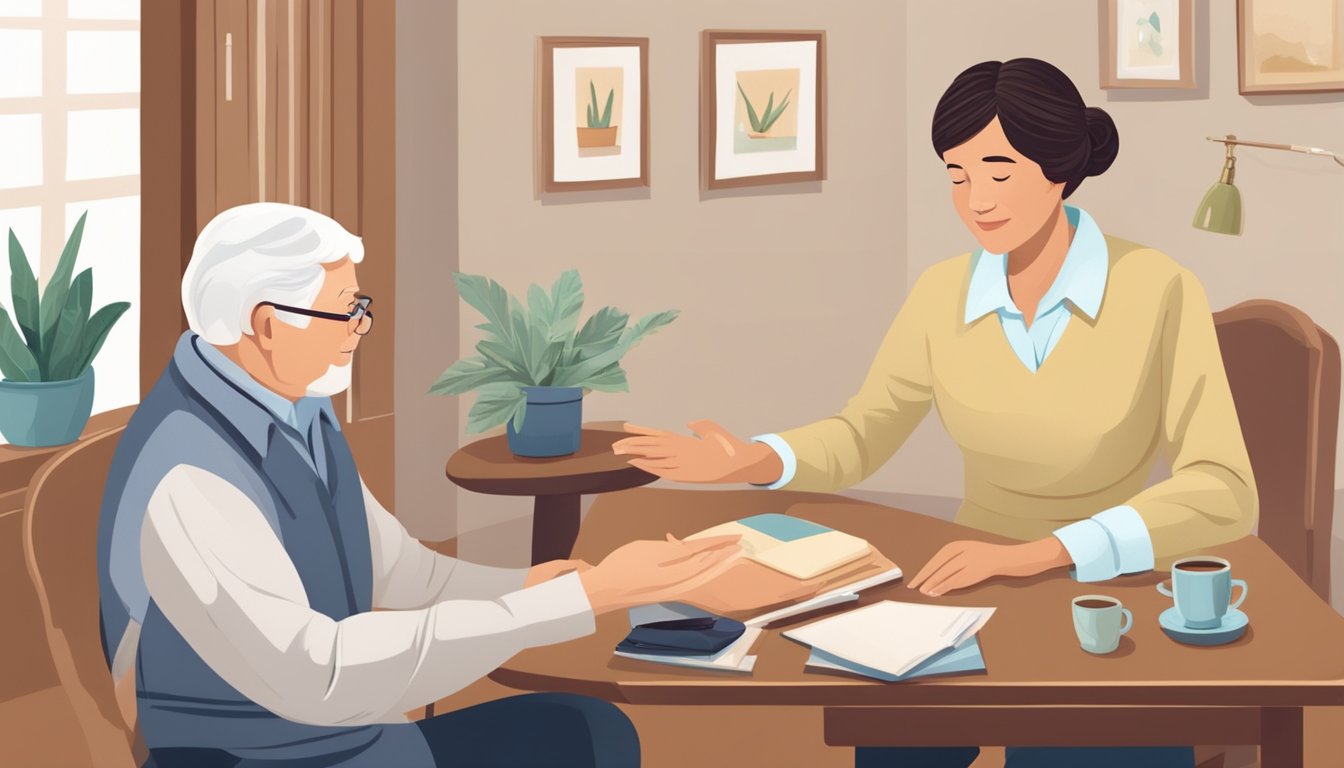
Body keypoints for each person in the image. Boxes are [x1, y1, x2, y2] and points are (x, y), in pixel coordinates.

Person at [612, 58, 1257, 768]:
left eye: (999, 171)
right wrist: (753, 460)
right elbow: (864, 432)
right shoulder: (941, 292)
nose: (976, 199)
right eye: (957, 175)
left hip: (1100, 591)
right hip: (964, 582)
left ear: (1060, 167)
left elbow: (1224, 488)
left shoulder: (1160, 288)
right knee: (894, 741)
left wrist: (1043, 552)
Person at [97, 202, 763, 768]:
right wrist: (582, 598)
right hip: (264, 754)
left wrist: (543, 585)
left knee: (592, 733)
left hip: (345, 737)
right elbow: (315, 674)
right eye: (343, 312)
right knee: (587, 741)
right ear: (267, 325)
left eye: (359, 306)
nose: (359, 330)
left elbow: (399, 569)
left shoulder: (294, 408)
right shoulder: (188, 475)